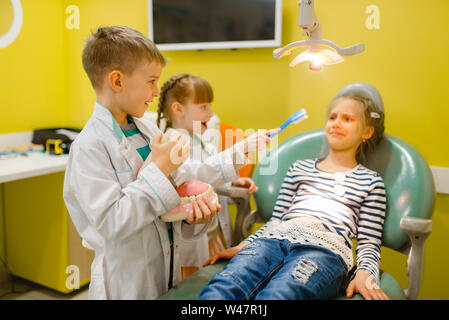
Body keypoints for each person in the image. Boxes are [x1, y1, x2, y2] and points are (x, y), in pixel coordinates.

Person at [63, 26, 278, 300]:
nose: (155, 92)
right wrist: (158, 170)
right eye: (150, 81)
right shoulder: (89, 147)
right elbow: (113, 222)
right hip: (125, 284)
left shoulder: (149, 132)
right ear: (117, 81)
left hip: (165, 271)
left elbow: (183, 180)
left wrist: (192, 215)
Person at [198, 88, 390, 300]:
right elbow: (276, 220)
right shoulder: (299, 168)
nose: (336, 123)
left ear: (367, 132)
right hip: (271, 241)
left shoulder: (371, 183)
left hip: (324, 250)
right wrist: (247, 244)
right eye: (332, 117)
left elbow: (369, 242)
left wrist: (366, 272)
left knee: (282, 294)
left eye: (348, 119)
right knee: (224, 286)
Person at [156, 73, 258, 279]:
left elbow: (212, 184)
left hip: (213, 235)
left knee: (214, 280)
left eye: (210, 106)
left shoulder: (203, 143)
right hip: (191, 240)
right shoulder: (172, 143)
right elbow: (197, 174)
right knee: (194, 286)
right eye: (203, 107)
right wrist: (240, 151)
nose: (211, 114)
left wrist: (232, 183)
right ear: (178, 109)